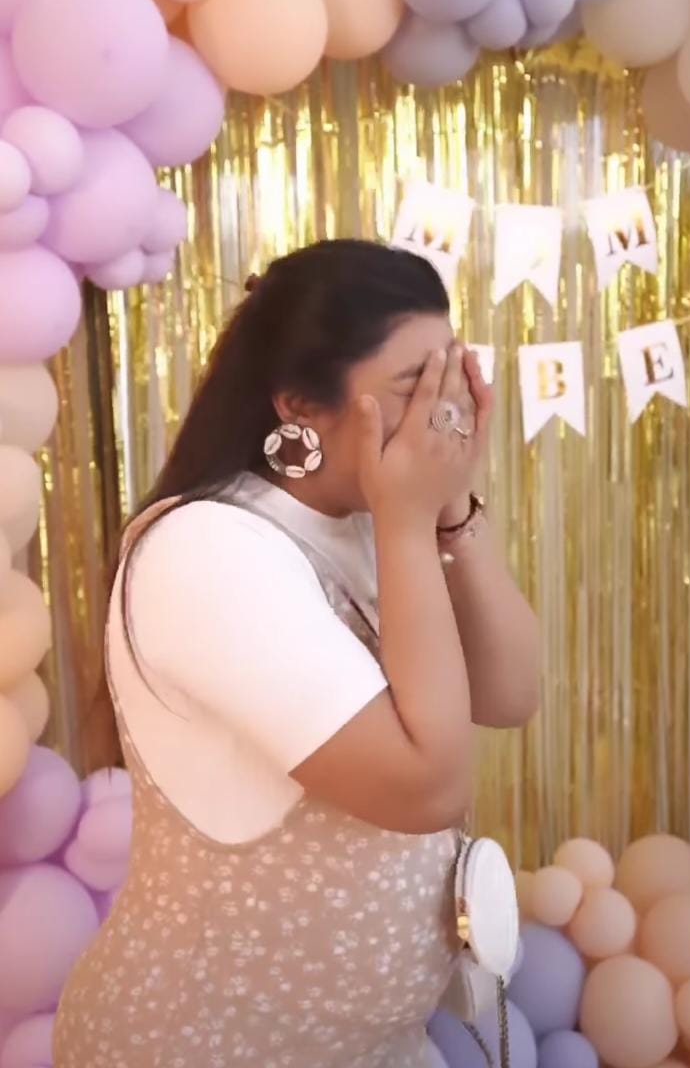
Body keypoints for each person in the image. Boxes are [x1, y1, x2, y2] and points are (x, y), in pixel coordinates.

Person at [54, 238, 539, 1068]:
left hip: (372, 1047)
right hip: (204, 1047)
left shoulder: (369, 519)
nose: (446, 410)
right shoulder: (208, 550)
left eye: (453, 375)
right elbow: (426, 786)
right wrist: (406, 519)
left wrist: (450, 507)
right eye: (414, 385)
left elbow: (510, 691)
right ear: (300, 405)